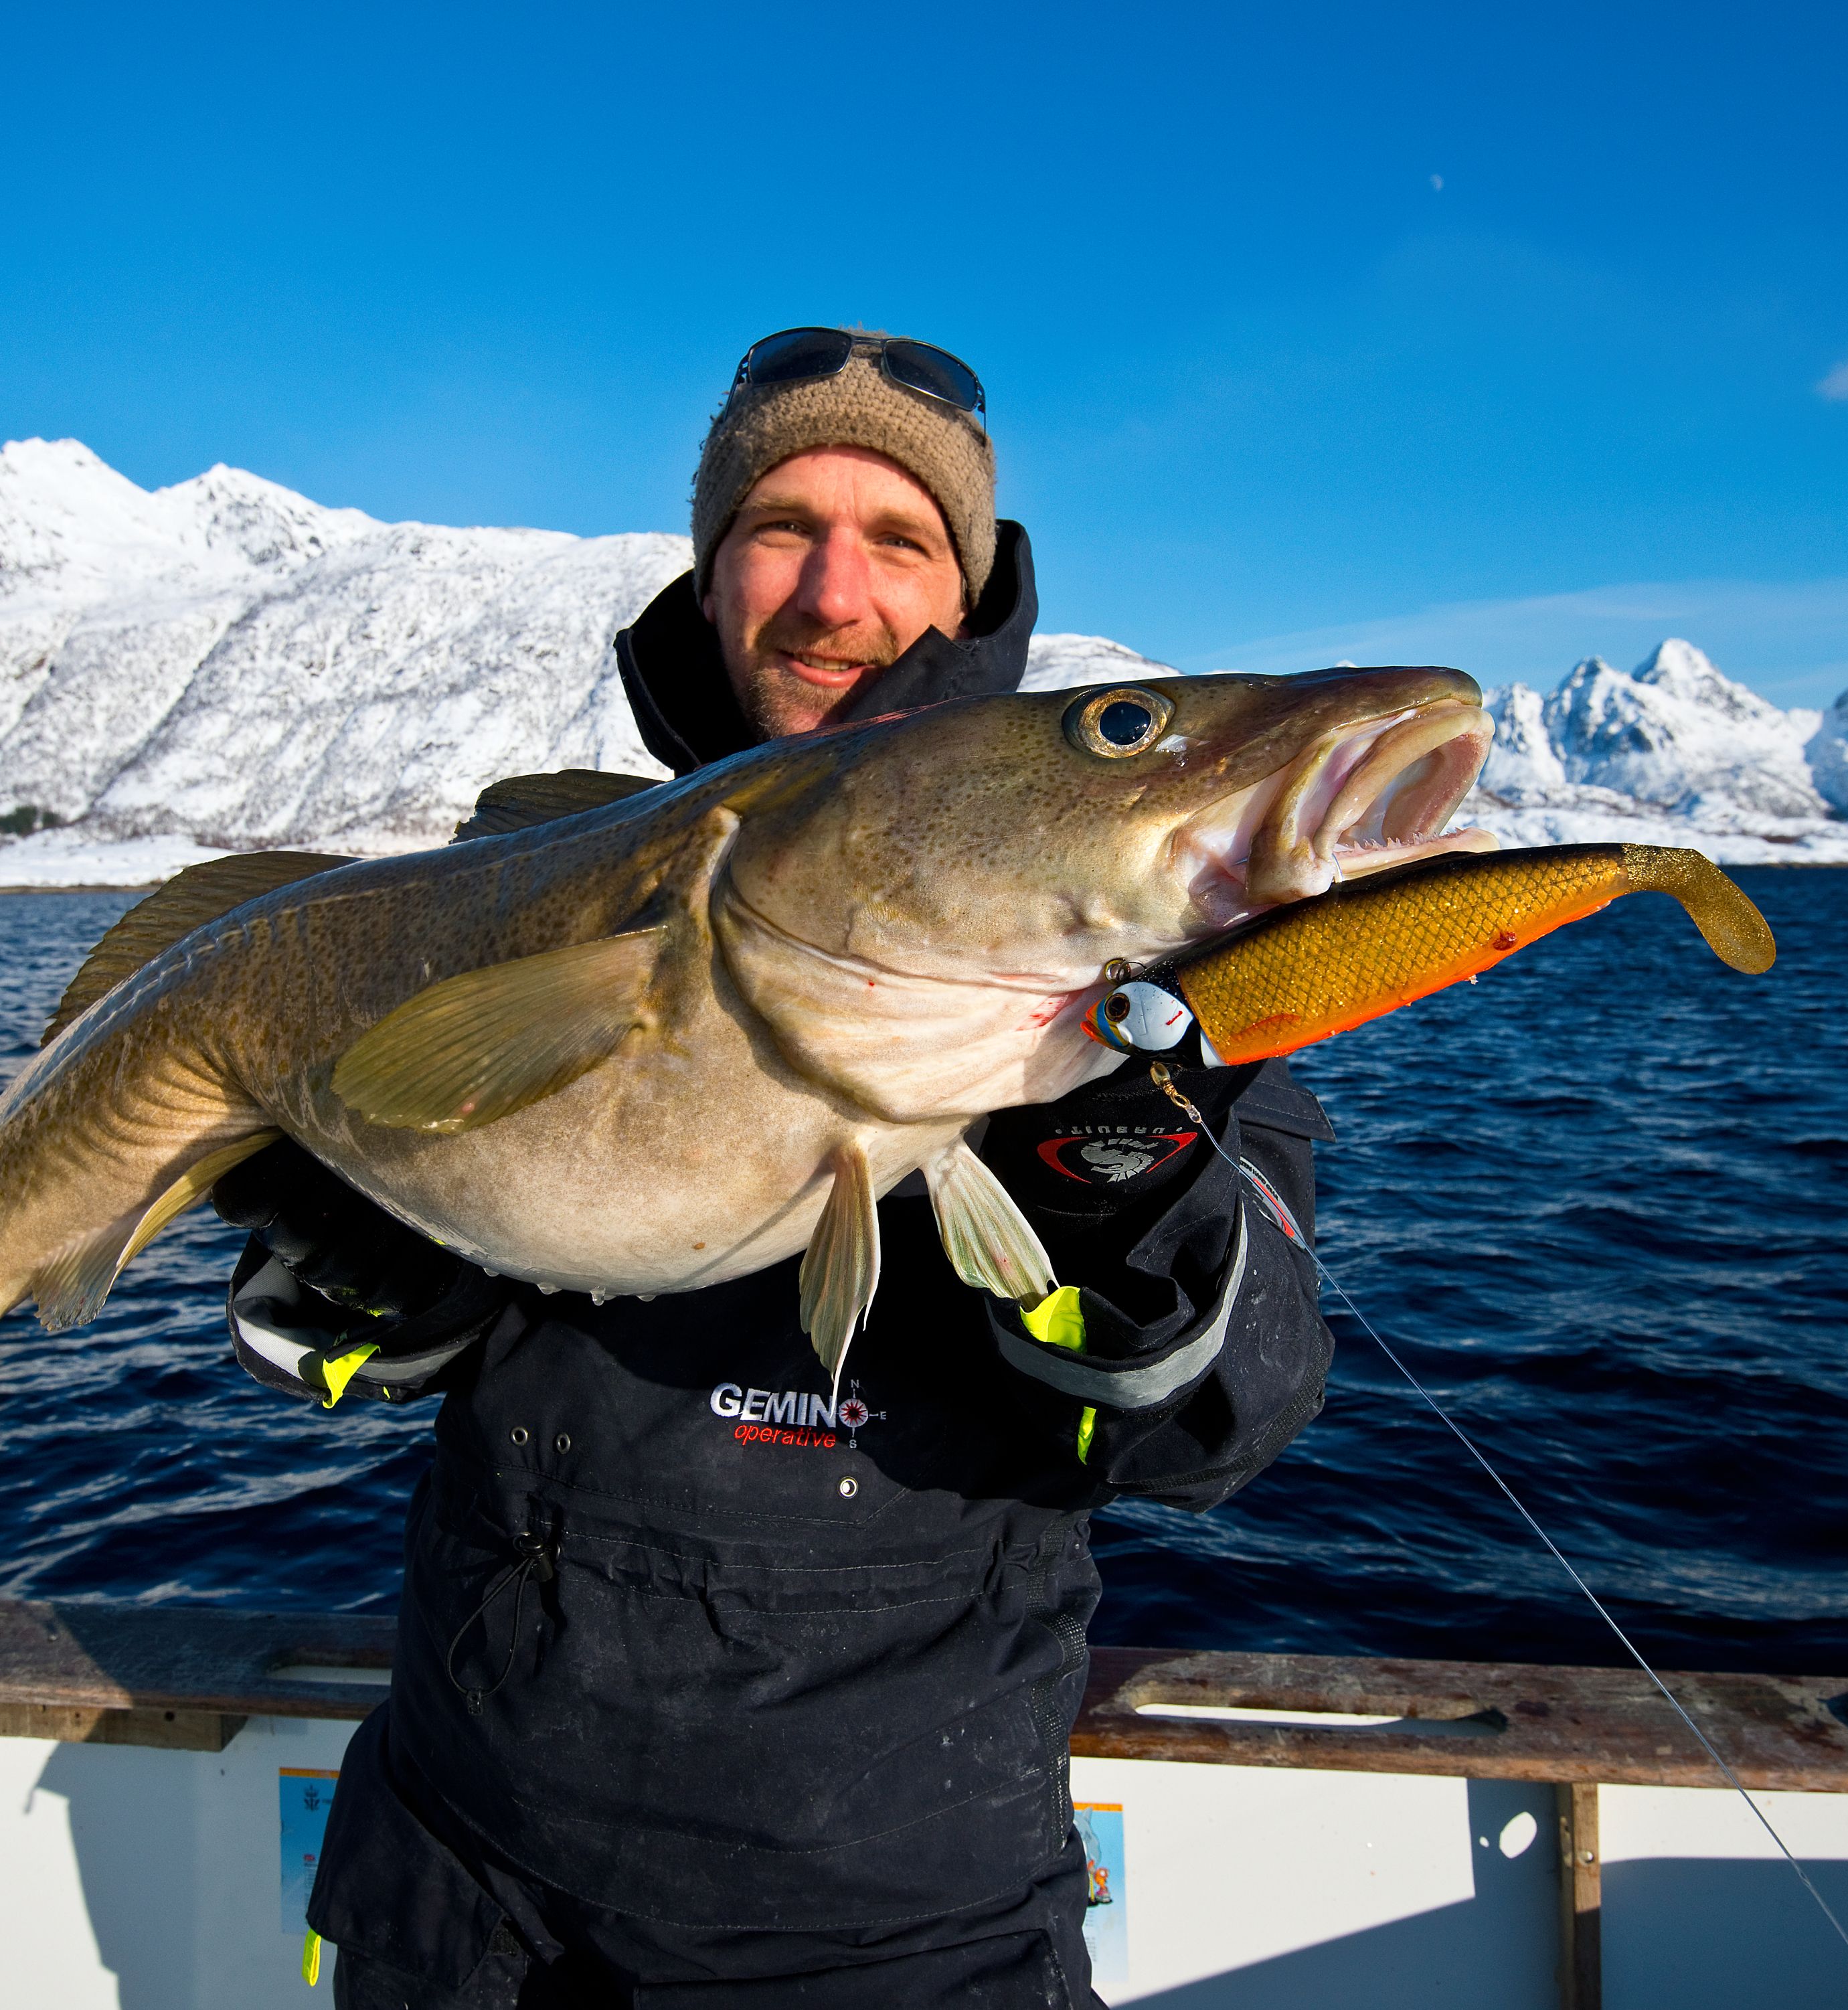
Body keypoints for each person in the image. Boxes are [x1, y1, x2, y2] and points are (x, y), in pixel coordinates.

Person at [214, 328, 1337, 2009]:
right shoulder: (527, 878)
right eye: (779, 527)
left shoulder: (1160, 968)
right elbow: (328, 1351)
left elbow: (1223, 1420)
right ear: (710, 570)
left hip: (900, 1934)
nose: (833, 590)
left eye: (899, 540)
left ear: (967, 593)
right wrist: (367, 1238)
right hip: (457, 1894)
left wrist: (1130, 1205)